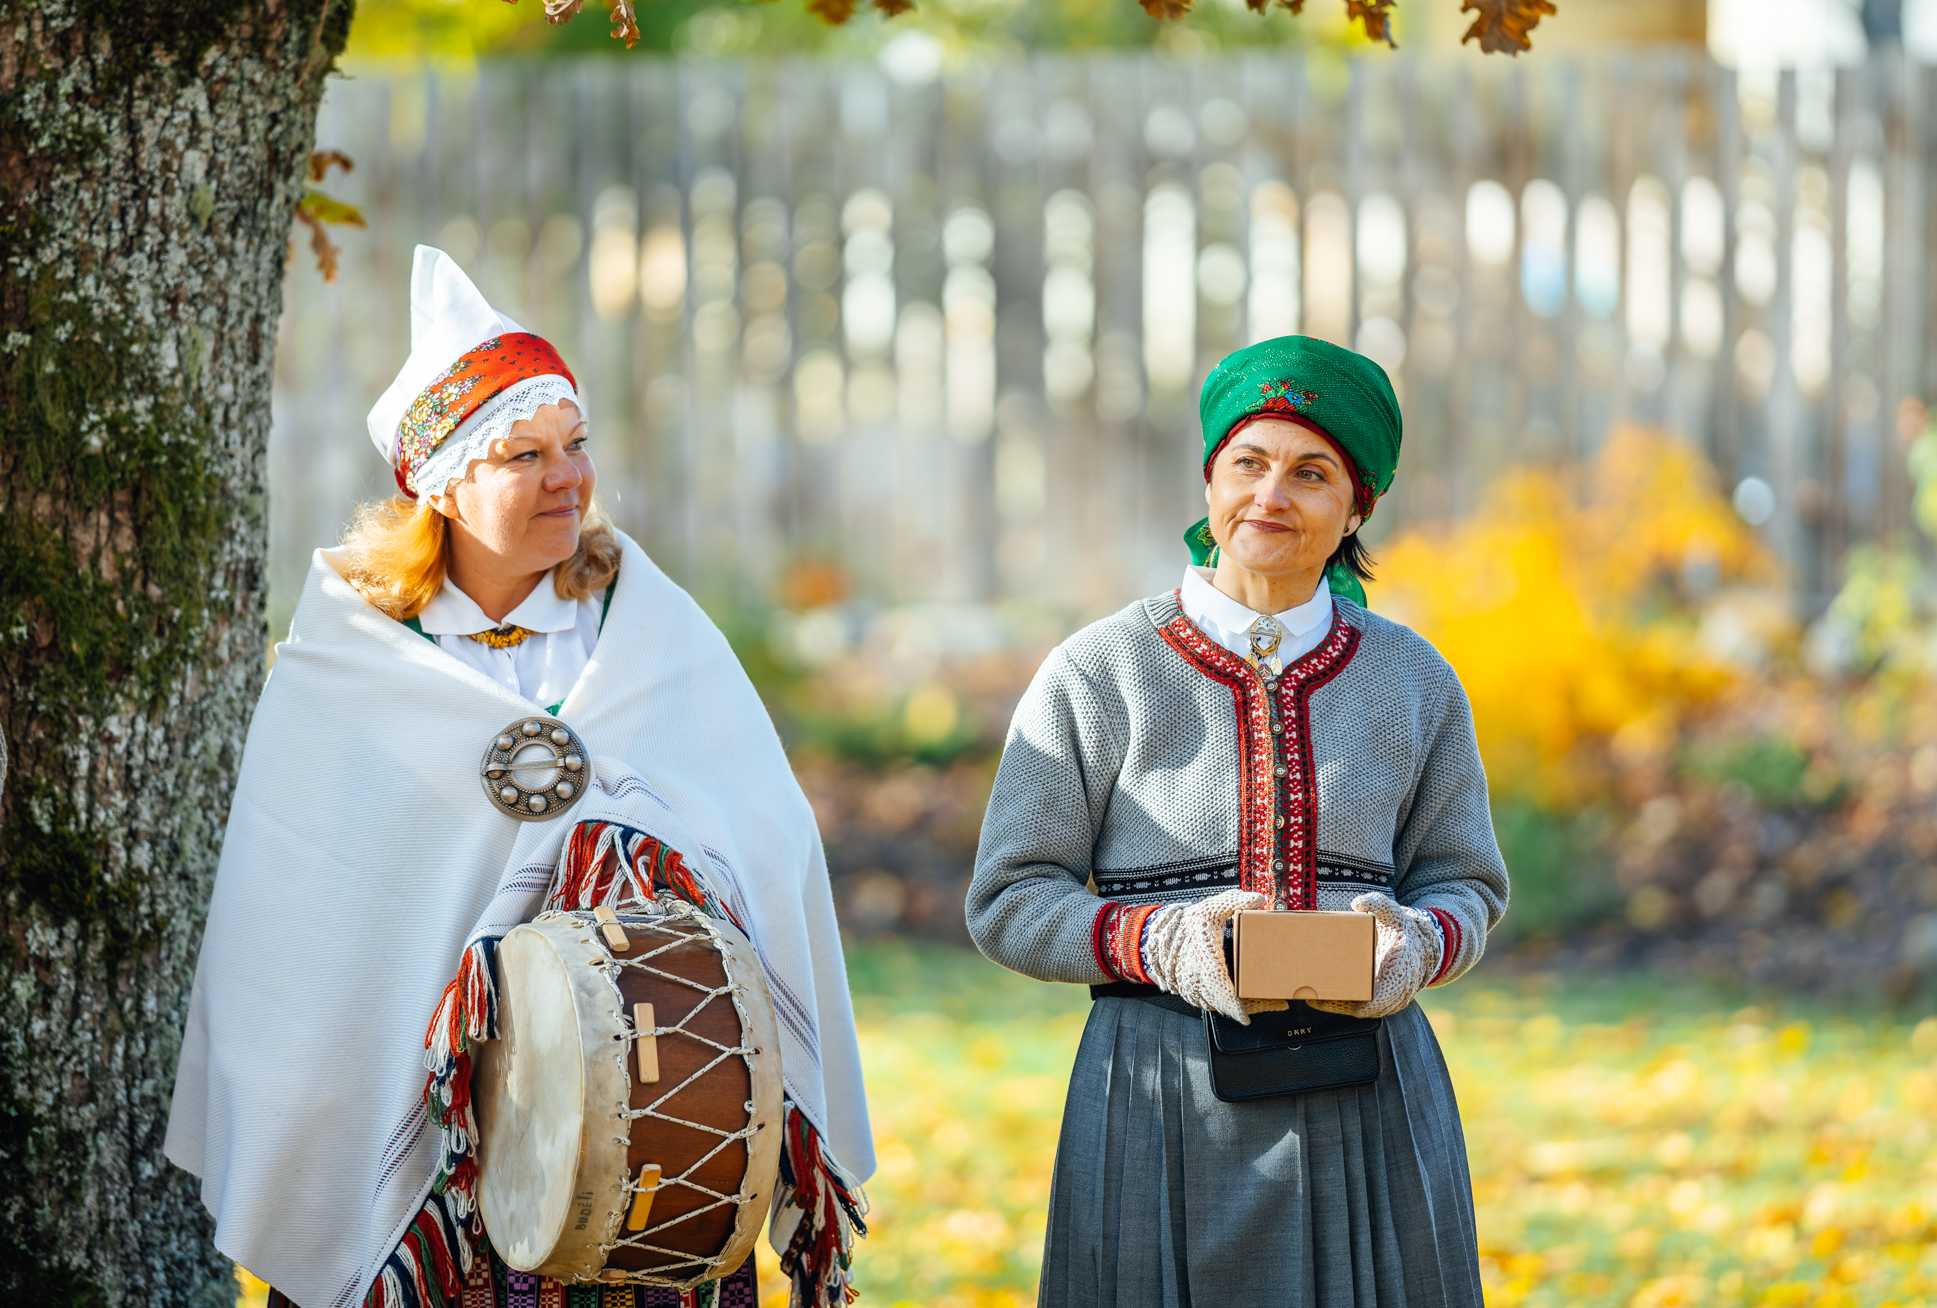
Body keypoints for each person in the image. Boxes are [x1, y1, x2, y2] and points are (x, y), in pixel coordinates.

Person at [167, 248, 872, 1308]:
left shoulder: (649, 633)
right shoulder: (355, 664)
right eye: (524, 455)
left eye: (576, 444)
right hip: (429, 1140)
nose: (568, 478)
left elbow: (765, 840)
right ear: (441, 485)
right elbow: (302, 917)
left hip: (647, 1124)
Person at [967, 335, 1508, 1308]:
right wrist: (1158, 940)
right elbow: (1008, 899)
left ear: (1357, 508)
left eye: (1311, 473)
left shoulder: (1414, 680)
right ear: (1209, 480)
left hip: (1373, 1093)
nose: (1271, 495)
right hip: (1156, 1092)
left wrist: (1418, 942)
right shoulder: (1097, 671)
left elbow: (1465, 882)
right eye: (1248, 463)